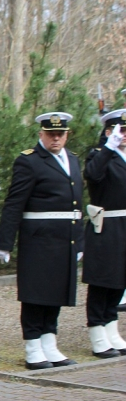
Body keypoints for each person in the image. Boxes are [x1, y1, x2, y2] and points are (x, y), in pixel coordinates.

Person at [0, 112, 84, 369]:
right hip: (39, 240)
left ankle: (50, 344)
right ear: (41, 134)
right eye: (50, 134)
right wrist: (4, 242)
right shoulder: (30, 162)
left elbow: (78, 205)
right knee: (36, 295)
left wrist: (79, 240)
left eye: (60, 134)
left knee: (56, 292)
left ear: (67, 135)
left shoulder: (73, 160)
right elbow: (14, 203)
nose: (56, 139)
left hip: (64, 239)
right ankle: (33, 347)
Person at [82, 109, 126, 356]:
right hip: (107, 224)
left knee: (120, 278)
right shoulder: (100, 155)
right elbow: (93, 175)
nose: (124, 136)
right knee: (103, 279)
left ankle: (111, 326)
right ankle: (97, 330)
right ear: (109, 132)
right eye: (121, 130)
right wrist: (109, 146)